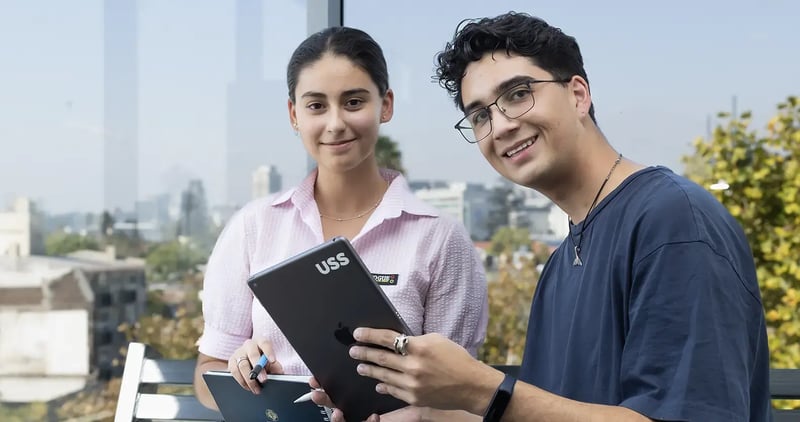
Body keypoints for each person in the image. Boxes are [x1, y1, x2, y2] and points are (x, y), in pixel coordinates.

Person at [317, 12, 773, 422]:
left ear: (577, 94)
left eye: (517, 94)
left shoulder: (673, 222)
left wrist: (482, 388)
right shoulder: (561, 262)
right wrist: (424, 413)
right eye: (479, 116)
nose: (500, 126)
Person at [192, 26, 489, 415]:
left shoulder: (439, 238)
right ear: (293, 114)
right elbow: (205, 378)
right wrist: (242, 374)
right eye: (316, 106)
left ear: (386, 105)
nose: (335, 124)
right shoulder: (253, 228)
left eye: (353, 102)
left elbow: (463, 401)